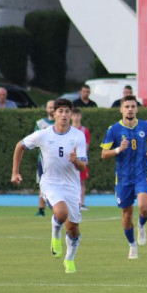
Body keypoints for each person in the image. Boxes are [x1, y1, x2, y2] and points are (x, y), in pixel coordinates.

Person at [11, 98, 88, 273]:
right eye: (60, 111)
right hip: (50, 182)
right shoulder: (43, 134)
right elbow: (20, 146)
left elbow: (83, 166)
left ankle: (69, 259)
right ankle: (55, 233)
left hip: (72, 186)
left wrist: (76, 161)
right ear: (54, 114)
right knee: (61, 213)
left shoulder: (78, 136)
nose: (64, 114)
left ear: (71, 114)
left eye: (67, 111)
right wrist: (15, 172)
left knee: (73, 229)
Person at [100, 96, 147, 259]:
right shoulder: (113, 130)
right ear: (121, 110)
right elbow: (104, 154)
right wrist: (118, 149)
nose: (130, 109)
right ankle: (132, 245)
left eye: (133, 106)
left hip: (142, 173)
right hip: (123, 178)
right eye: (127, 107)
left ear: (137, 109)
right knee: (127, 214)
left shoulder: (145, 125)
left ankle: (141, 225)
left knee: (144, 207)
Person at [34, 100, 55, 216]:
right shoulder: (40, 123)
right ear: (46, 109)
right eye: (50, 107)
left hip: (58, 160)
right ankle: (41, 209)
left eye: (54, 107)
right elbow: (35, 140)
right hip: (43, 161)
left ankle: (57, 209)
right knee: (43, 184)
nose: (52, 109)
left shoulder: (61, 123)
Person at [70, 108, 91, 210]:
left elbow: (86, 145)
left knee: (81, 181)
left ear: (81, 116)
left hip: (80, 159)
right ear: (71, 117)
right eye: (74, 115)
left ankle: (81, 203)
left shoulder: (84, 130)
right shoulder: (68, 130)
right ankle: (71, 202)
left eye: (78, 115)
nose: (76, 117)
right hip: (70, 159)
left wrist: (80, 156)